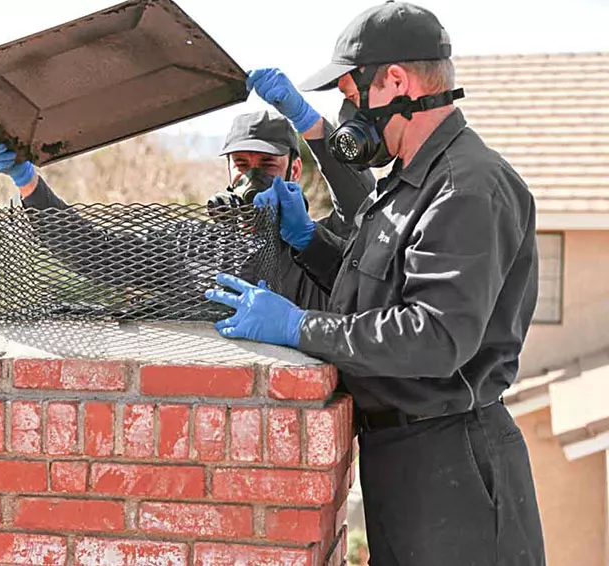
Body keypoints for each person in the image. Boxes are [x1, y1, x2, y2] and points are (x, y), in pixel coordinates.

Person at [205, 2, 546, 565]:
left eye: (350, 92)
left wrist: (296, 327)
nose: (346, 112)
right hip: (403, 459)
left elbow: (434, 337)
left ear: (395, 82)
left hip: (453, 465)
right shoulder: (413, 182)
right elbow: (377, 291)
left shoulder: (466, 187)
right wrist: (309, 242)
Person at [0, 110, 373, 311]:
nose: (251, 176)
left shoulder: (324, 246)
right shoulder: (192, 245)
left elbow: (362, 205)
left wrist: (314, 126)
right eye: (241, 164)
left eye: (267, 166)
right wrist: (29, 183)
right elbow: (95, 252)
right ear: (228, 170)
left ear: (294, 169)